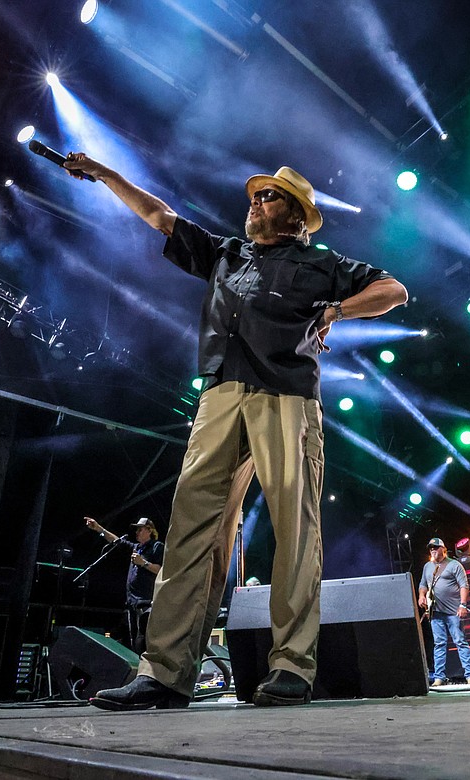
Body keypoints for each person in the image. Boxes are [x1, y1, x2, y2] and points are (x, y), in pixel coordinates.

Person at [62, 152, 409, 710]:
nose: (255, 204)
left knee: (294, 527)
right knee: (191, 528)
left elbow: (394, 291)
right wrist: (106, 175)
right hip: (220, 394)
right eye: (254, 197)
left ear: (297, 215)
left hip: (286, 396)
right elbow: (158, 216)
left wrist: (334, 313)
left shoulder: (322, 263)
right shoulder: (225, 252)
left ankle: (292, 667)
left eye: (269, 197)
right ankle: (167, 674)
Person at [85, 516, 165, 653]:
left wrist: (143, 563)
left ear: (149, 530)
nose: (137, 532)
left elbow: (161, 570)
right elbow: (117, 541)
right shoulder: (136, 548)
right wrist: (99, 528)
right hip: (131, 602)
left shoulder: (157, 546)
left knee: (144, 639)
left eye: (140, 529)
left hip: (146, 601)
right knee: (134, 639)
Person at [417, 538, 470, 686]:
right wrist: (421, 596)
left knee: (460, 641)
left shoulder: (454, 565)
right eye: (431, 548)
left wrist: (462, 605)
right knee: (439, 644)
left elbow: (464, 585)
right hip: (435, 612)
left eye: (436, 548)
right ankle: (439, 677)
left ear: (443, 549)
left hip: (453, 611)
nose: (433, 550)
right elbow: (423, 584)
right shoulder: (427, 567)